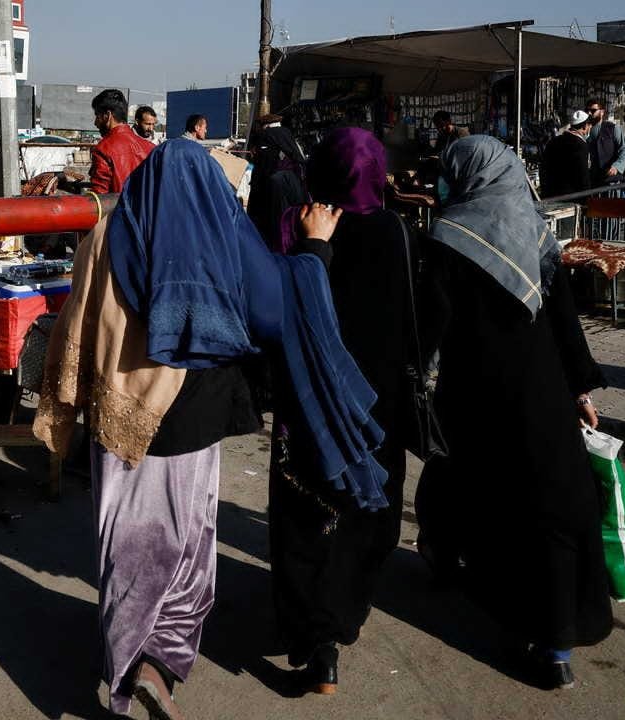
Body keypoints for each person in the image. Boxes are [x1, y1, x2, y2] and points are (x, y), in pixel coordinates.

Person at [35, 139, 385, 719]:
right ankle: (159, 664)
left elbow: (77, 324)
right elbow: (275, 305)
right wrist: (314, 250)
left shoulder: (105, 236)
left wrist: (68, 403)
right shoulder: (219, 235)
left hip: (121, 415)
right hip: (194, 416)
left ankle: (128, 662)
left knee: (128, 543)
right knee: (185, 541)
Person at [416, 135, 613, 691]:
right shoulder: (536, 231)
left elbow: (431, 327)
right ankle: (557, 643)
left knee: (481, 493)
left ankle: (456, 566)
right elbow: (563, 320)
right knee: (551, 505)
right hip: (542, 393)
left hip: (473, 395)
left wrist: (414, 381)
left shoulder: (448, 237)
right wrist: (579, 390)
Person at [267, 127, 411, 696]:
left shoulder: (298, 226)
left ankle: (316, 643)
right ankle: (343, 617)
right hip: (376, 402)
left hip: (309, 400)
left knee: (307, 513)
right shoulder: (395, 231)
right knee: (362, 514)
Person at [247, 113, 307, 242]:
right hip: (294, 197)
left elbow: (263, 167)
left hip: (271, 197)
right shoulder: (288, 138)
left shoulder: (266, 137)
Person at [88, 88, 154, 194]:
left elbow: (99, 197)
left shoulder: (103, 150)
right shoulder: (151, 148)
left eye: (97, 116)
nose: (95, 123)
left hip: (118, 205)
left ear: (108, 115)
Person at [540, 110, 593, 198]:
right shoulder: (580, 145)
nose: (589, 128)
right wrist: (587, 197)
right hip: (572, 198)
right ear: (584, 126)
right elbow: (583, 176)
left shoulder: (553, 141)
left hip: (551, 195)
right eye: (589, 125)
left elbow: (543, 168)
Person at [587, 99, 625, 187]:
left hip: (610, 178)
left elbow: (624, 148)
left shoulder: (612, 128)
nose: (589, 113)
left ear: (602, 112)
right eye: (587, 110)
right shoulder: (585, 129)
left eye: (593, 110)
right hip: (594, 179)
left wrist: (617, 166)